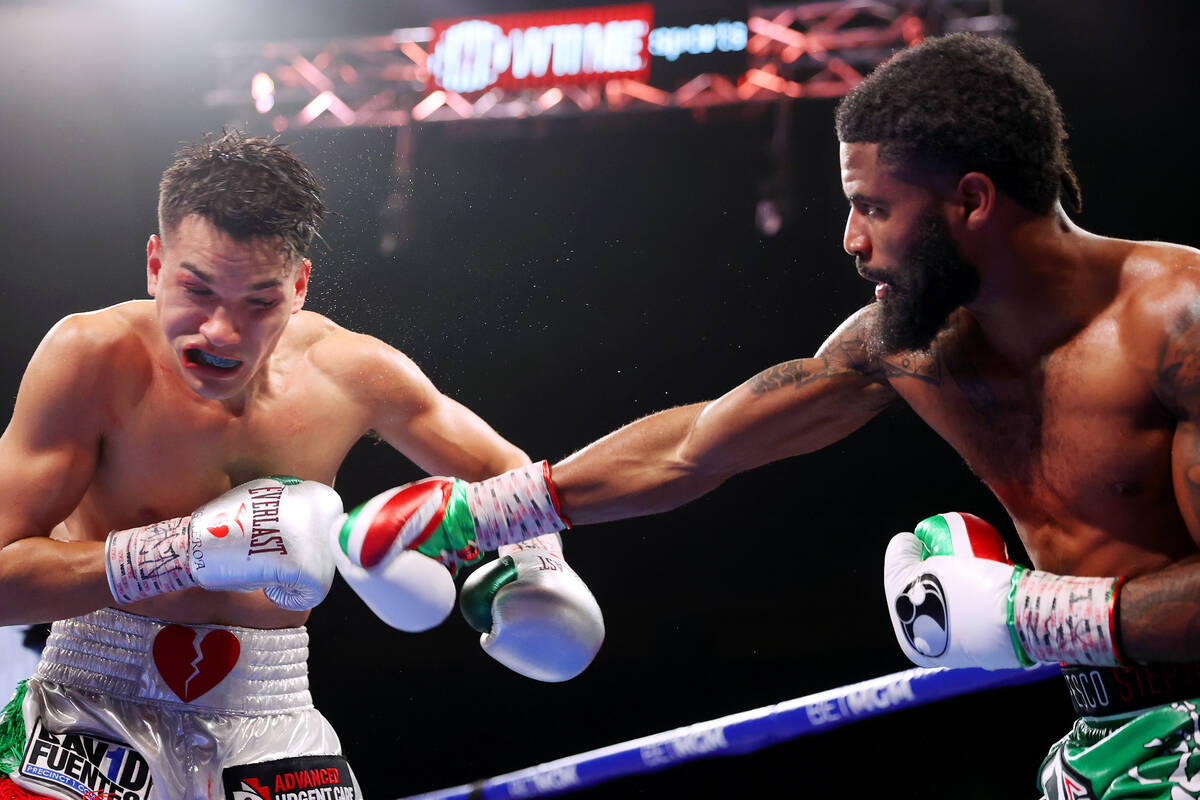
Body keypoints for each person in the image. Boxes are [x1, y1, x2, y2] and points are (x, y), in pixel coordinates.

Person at [336, 33, 1200, 798]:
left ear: (971, 201)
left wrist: (1031, 617)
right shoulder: (902, 344)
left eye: (873, 206)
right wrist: (481, 510)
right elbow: (692, 448)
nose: (851, 240)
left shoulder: (1176, 325)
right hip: (1102, 737)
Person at [0, 130, 604, 800]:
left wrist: (536, 565)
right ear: (154, 264)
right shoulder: (92, 358)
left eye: (258, 301)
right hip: (87, 709)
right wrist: (183, 551)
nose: (221, 331)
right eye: (195, 290)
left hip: (274, 721)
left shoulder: (354, 373)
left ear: (299, 288)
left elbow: (506, 474)